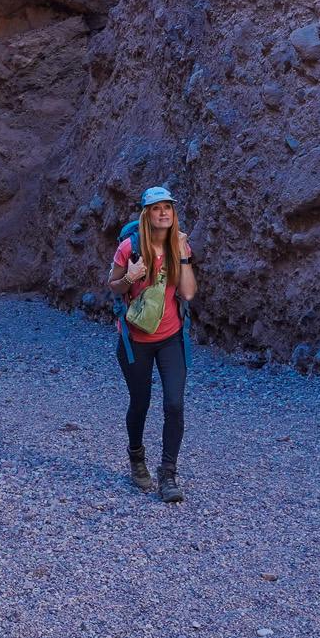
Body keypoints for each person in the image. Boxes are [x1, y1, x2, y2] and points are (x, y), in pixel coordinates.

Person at [107, 185, 196, 502]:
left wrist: (184, 257)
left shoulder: (179, 246)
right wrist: (130, 277)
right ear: (147, 214)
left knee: (174, 403)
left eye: (168, 208)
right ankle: (136, 459)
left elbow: (187, 294)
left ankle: (168, 474)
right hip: (135, 340)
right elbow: (114, 287)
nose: (163, 212)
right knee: (140, 402)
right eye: (157, 208)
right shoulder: (129, 248)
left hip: (171, 339)